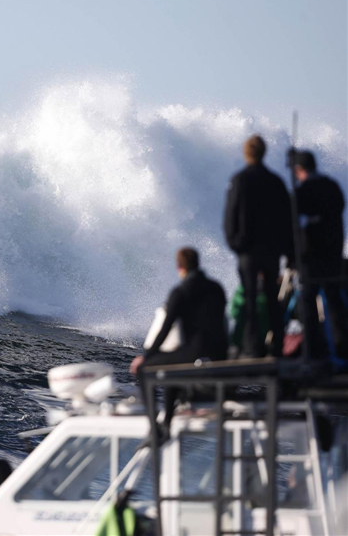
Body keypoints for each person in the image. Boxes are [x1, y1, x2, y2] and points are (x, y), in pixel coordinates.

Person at [130, 248, 228, 431]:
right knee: (172, 364)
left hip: (194, 353)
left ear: (180, 267)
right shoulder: (217, 288)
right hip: (219, 354)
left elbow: (165, 328)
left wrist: (146, 356)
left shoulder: (181, 291)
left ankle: (155, 426)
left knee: (146, 369)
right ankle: (167, 419)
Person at [224, 134, 292, 357]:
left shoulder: (240, 179)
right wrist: (285, 248)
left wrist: (235, 244)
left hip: (248, 252)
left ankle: (252, 347)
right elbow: (287, 219)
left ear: (247, 153)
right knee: (272, 298)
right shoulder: (276, 181)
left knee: (250, 299)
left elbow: (230, 216)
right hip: (271, 251)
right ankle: (277, 346)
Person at [292, 150, 347, 359]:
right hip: (333, 255)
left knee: (307, 301)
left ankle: (314, 349)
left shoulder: (303, 191)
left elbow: (295, 225)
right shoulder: (332, 186)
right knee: (334, 301)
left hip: (311, 257)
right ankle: (342, 346)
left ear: (299, 170)